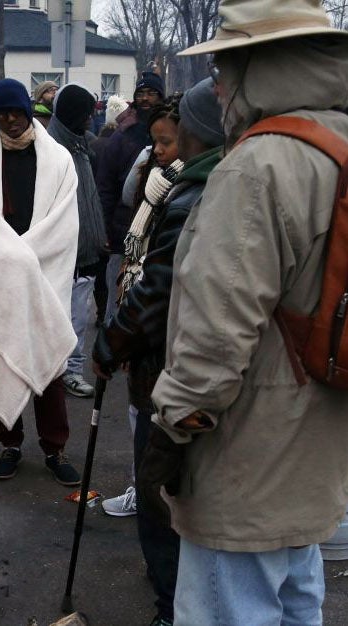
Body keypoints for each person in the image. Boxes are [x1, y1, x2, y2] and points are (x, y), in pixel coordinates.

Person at [138, 1, 348, 624]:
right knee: (296, 602)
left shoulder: (257, 167)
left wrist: (170, 428)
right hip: (315, 443)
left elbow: (214, 334)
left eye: (226, 67)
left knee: (227, 609)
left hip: (245, 454)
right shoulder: (337, 143)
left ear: (260, 65)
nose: (219, 86)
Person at [92, 79, 224, 626]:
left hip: (171, 365)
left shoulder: (194, 191)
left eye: (174, 135)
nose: (164, 146)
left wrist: (109, 343)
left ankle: (172, 606)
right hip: (186, 361)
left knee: (159, 490)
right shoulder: (183, 183)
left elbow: (158, 291)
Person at [0, 78, 81, 486]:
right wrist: (9, 257)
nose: (10, 120)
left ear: (28, 111)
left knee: (49, 365)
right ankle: (10, 443)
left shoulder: (59, 159)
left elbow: (64, 223)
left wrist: (24, 256)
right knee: (1, 355)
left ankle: (54, 448)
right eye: (2, 114)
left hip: (43, 273)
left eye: (16, 112)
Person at [98, 98, 185, 520]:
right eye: (153, 142)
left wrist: (116, 339)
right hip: (142, 317)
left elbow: (161, 279)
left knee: (157, 421)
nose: (157, 150)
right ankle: (143, 488)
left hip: (162, 329)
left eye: (166, 142)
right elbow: (132, 216)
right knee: (139, 412)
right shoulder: (155, 179)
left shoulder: (185, 193)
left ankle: (154, 497)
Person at [46, 84, 106, 399]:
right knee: (68, 317)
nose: (90, 120)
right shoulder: (53, 151)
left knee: (78, 316)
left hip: (85, 249)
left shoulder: (81, 146)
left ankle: (68, 369)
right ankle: (65, 371)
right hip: (64, 252)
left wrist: (98, 236)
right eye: (85, 114)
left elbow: (89, 198)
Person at [96, 71, 164, 325]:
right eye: (141, 94)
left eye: (152, 93)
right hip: (123, 230)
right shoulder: (121, 137)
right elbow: (105, 188)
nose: (146, 99)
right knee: (119, 296)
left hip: (158, 231)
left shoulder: (172, 132)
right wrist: (104, 228)